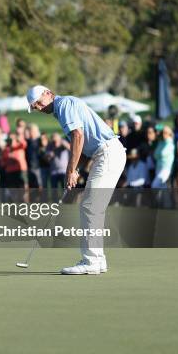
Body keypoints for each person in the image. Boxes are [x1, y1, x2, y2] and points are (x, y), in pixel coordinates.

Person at [27, 84, 126, 275]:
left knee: (89, 206)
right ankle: (98, 260)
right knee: (93, 208)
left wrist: (70, 170)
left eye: (38, 103)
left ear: (49, 94)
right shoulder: (63, 107)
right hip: (105, 153)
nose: (38, 108)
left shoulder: (64, 105)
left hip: (108, 153)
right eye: (34, 107)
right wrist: (77, 167)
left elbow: (78, 136)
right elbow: (85, 141)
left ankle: (91, 261)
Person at [26, 124, 42, 189]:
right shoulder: (28, 141)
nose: (31, 133)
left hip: (37, 167)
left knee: (39, 186)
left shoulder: (39, 140)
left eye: (32, 131)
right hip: (29, 166)